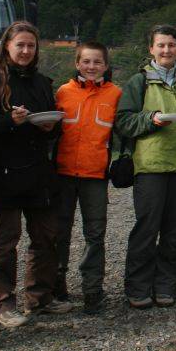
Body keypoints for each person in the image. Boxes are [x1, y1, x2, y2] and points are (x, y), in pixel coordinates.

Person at [0, 21, 69, 328]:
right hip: (5, 172)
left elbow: (54, 123)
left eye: (31, 46)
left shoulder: (41, 82)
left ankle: (39, 298)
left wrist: (51, 127)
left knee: (46, 237)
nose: (25, 51)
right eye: (20, 45)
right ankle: (2, 303)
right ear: (7, 47)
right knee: (6, 240)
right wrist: (9, 121)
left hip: (38, 171)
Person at [115, 25, 176, 309]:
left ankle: (166, 285)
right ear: (151, 49)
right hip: (151, 167)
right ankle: (138, 287)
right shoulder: (139, 82)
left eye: (171, 45)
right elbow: (123, 122)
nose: (167, 50)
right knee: (146, 229)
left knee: (175, 231)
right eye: (161, 45)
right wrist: (150, 119)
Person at [53, 41, 122, 315]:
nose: (91, 67)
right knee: (60, 231)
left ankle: (92, 289)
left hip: (95, 175)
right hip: (63, 173)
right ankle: (57, 285)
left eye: (97, 62)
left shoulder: (115, 94)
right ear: (77, 63)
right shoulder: (63, 92)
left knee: (95, 234)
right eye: (86, 61)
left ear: (106, 65)